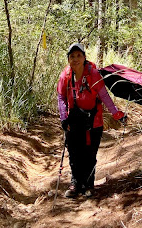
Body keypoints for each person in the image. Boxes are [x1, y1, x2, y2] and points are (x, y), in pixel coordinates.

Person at [57, 42, 126, 199]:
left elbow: (104, 96)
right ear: (68, 59)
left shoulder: (93, 75)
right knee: (74, 153)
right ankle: (75, 184)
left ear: (84, 57)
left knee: (89, 154)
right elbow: (61, 97)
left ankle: (88, 185)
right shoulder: (65, 76)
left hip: (93, 122)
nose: (75, 59)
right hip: (73, 121)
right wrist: (63, 118)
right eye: (72, 56)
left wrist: (117, 115)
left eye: (78, 56)